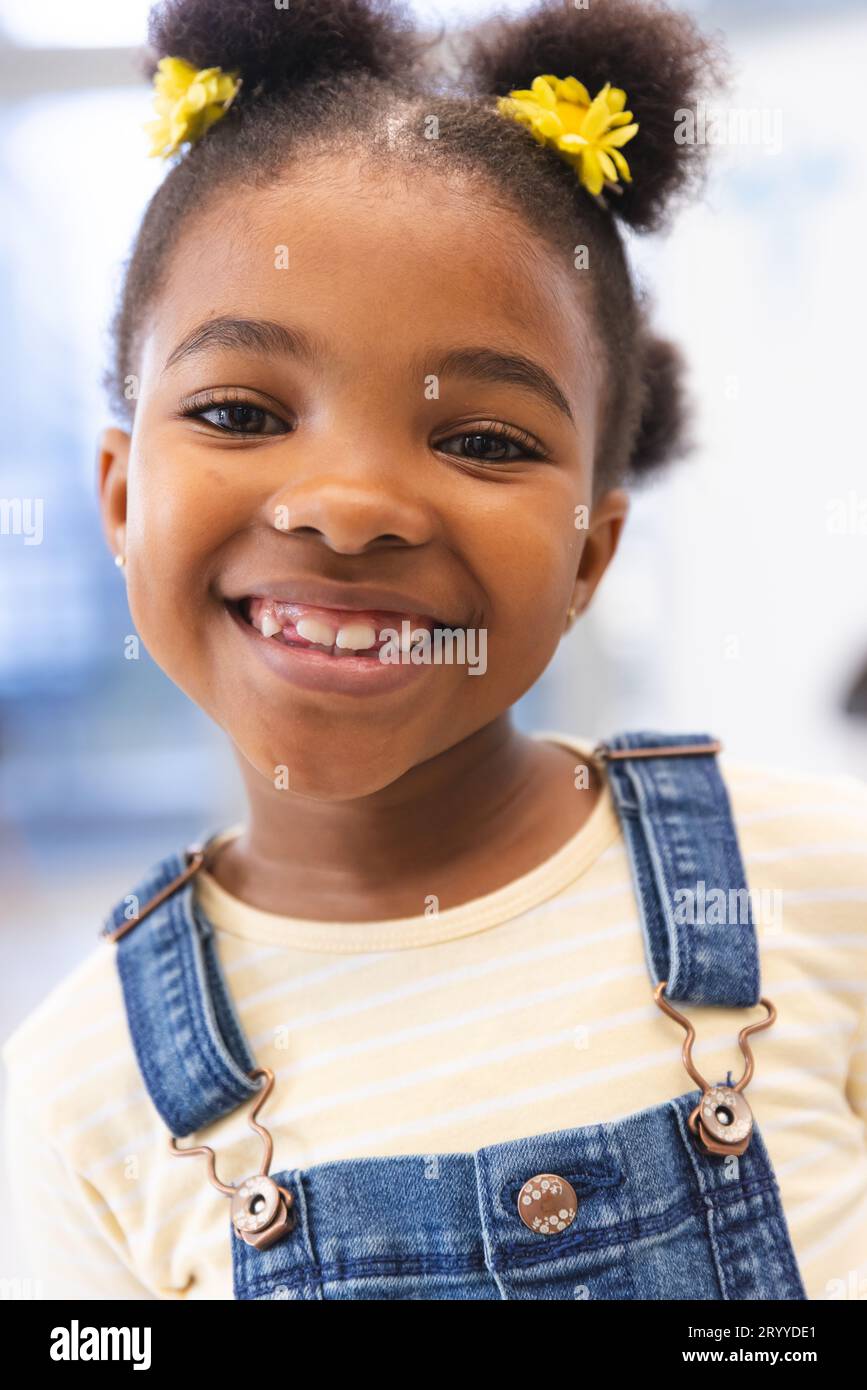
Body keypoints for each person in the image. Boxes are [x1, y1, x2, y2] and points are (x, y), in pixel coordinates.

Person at [3, 0, 866, 1301]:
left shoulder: (820, 886)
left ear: (589, 553)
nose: (347, 504)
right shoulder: (82, 1092)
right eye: (241, 410)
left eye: (483, 441)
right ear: (121, 502)